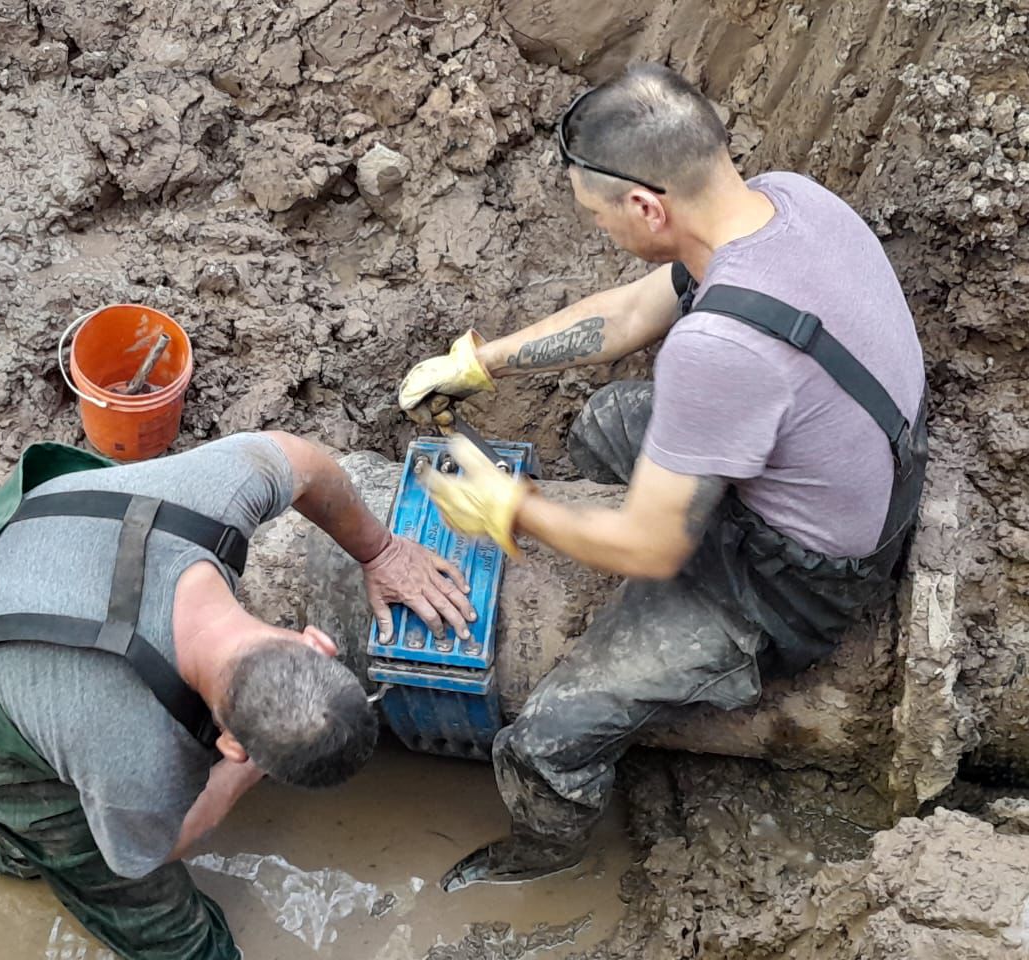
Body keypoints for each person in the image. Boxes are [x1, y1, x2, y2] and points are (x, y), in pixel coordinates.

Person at [397, 63, 928, 891]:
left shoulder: (719, 352)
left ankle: (547, 851)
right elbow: (636, 310)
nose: (600, 230)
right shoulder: (788, 201)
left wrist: (510, 509)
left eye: (596, 214)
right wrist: (482, 363)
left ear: (647, 205)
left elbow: (649, 548)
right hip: (860, 469)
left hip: (797, 583)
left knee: (546, 738)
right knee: (608, 420)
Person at [0, 430, 475, 958]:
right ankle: (48, 839)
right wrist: (233, 780)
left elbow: (303, 462)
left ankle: (29, 841)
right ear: (234, 746)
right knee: (128, 891)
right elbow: (148, 854)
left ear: (314, 642)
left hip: (18, 552)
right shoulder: (134, 752)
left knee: (52, 803)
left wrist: (383, 552)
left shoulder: (216, 493)